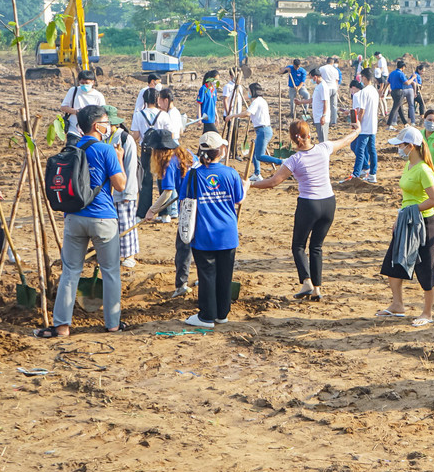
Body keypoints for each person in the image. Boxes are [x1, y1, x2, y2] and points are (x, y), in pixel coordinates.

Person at [37, 104, 128, 338]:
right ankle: (113, 324)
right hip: (103, 218)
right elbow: (120, 185)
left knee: (70, 272)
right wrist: (120, 158)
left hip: (74, 217)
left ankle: (62, 326)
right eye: (107, 122)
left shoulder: (70, 148)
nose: (110, 125)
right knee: (110, 272)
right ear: (98, 126)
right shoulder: (106, 150)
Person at [248, 118, 359, 300]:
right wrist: (357, 130)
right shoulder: (324, 148)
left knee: (298, 246)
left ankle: (306, 282)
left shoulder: (294, 159)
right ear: (310, 135)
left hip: (309, 204)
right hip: (329, 203)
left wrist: (250, 185)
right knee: (317, 247)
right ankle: (317, 289)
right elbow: (345, 141)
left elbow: (273, 182)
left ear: (293, 139)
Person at [177, 132, 245, 328]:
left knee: (207, 274)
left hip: (204, 232)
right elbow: (239, 199)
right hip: (227, 233)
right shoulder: (231, 173)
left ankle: (207, 315)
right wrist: (245, 187)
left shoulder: (193, 175)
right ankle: (221, 313)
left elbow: (184, 201)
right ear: (220, 151)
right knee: (225, 274)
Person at [378, 127, 434, 327]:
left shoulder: (423, 169)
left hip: (424, 224)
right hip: (406, 220)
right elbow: (408, 197)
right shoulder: (409, 165)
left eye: (401, 145)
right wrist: (400, 217)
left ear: (411, 146)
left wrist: (411, 211)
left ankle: (427, 313)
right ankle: (397, 305)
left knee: (425, 269)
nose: (398, 149)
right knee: (393, 264)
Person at [142, 129, 196, 296]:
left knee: (183, 247)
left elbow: (167, 192)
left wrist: (152, 210)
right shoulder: (187, 153)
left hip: (188, 207)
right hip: (203, 203)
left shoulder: (168, 163)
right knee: (201, 244)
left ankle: (181, 285)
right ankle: (206, 276)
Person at [104, 107, 141, 269]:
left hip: (124, 189)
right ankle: (116, 253)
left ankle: (130, 255)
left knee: (126, 224)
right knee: (112, 225)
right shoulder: (105, 138)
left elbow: (131, 167)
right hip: (109, 191)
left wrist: (128, 191)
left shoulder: (125, 139)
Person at [231, 82, 275, 182]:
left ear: (253, 92)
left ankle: (282, 161)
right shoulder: (261, 100)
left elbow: (247, 113)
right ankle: (257, 173)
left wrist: (233, 115)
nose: (248, 93)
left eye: (249, 91)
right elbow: (246, 98)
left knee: (259, 156)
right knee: (255, 154)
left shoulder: (257, 102)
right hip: (263, 130)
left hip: (263, 130)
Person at [59, 69, 105, 147]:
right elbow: (63, 107)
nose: (84, 85)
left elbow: (103, 114)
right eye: (82, 83)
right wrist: (77, 112)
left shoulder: (98, 96)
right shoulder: (73, 91)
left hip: (91, 133)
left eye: (87, 83)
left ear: (93, 82)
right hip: (74, 132)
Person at [350, 71, 382, 183]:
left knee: (360, 150)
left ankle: (356, 173)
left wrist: (357, 123)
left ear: (364, 78)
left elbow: (361, 111)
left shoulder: (364, 92)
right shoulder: (374, 91)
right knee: (371, 150)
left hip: (364, 126)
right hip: (373, 125)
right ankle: (372, 173)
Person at [386, 59, 415, 128]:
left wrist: (384, 91)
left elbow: (387, 82)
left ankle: (405, 123)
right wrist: (413, 78)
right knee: (395, 107)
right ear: (403, 67)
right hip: (399, 92)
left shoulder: (392, 73)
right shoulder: (400, 73)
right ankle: (389, 124)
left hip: (393, 92)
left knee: (399, 107)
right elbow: (407, 83)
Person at [310, 68, 331, 143]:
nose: (311, 80)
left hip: (321, 117)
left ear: (315, 77)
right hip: (317, 117)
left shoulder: (323, 86)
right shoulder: (318, 86)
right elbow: (312, 100)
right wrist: (300, 102)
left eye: (311, 78)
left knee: (323, 140)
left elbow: (326, 102)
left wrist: (323, 116)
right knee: (321, 139)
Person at [197, 71, 220, 135]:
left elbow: (214, 104)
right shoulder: (203, 89)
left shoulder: (214, 90)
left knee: (207, 137)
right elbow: (199, 104)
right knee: (216, 135)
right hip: (206, 117)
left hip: (212, 117)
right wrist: (199, 118)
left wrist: (217, 116)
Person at [321, 56, 342, 125]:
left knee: (325, 104)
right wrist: (336, 89)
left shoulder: (322, 68)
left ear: (326, 62)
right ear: (332, 63)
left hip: (326, 89)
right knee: (333, 106)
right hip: (334, 89)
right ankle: (334, 121)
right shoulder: (335, 70)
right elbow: (337, 81)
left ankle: (326, 120)